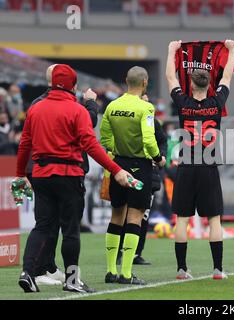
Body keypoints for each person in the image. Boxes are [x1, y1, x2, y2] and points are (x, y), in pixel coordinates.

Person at [15, 64, 131, 293]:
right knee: (70, 230)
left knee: (42, 226)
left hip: (41, 174)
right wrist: (116, 169)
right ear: (74, 85)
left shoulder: (35, 109)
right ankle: (71, 280)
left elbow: (25, 144)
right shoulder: (77, 110)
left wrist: (20, 174)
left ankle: (28, 272)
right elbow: (91, 145)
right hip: (69, 175)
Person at [166, 39, 234, 280]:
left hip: (186, 167)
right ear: (209, 85)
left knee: (182, 220)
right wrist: (233, 50)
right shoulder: (216, 103)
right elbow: (227, 77)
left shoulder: (183, 104)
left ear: (191, 83)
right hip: (208, 168)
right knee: (214, 219)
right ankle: (218, 269)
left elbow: (170, 78)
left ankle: (182, 270)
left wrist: (171, 51)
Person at [28, 64, 101, 286]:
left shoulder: (39, 105)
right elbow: (86, 130)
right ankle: (46, 271)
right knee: (64, 227)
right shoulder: (59, 105)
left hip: (45, 171)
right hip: (62, 170)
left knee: (49, 225)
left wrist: (21, 171)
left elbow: (25, 142)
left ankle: (41, 269)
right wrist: (90, 104)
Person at [100, 66, 165, 285]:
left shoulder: (112, 106)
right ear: (145, 82)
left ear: (126, 81)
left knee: (116, 215)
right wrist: (158, 159)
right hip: (140, 168)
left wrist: (117, 155)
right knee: (135, 217)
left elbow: (105, 139)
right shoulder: (145, 108)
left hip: (117, 166)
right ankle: (126, 273)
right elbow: (148, 139)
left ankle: (110, 271)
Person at [116, 95, 168, 266]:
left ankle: (136, 253)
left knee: (142, 216)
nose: (145, 101)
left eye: (147, 99)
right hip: (127, 170)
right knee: (121, 214)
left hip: (148, 173)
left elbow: (162, 141)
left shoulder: (153, 121)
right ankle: (118, 252)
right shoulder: (125, 117)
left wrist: (160, 157)